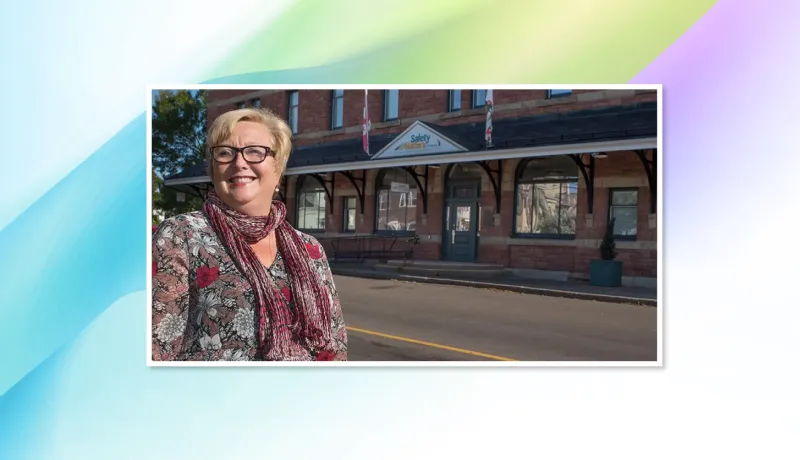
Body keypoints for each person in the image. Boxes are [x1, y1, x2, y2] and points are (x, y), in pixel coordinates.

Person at [151, 107, 347, 361]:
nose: (239, 162)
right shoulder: (182, 236)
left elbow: (336, 340)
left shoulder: (309, 248)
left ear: (278, 168)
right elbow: (158, 346)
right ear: (213, 169)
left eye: (255, 151)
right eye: (225, 153)